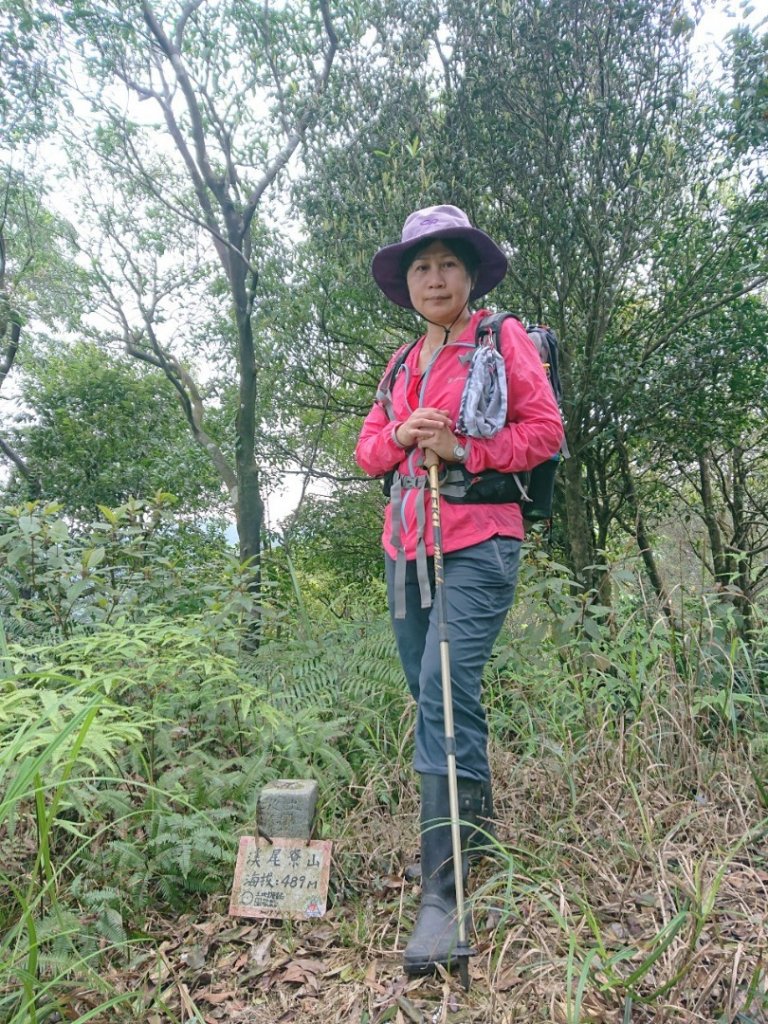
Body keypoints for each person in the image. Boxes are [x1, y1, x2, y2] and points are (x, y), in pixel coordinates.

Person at [355, 205, 564, 976]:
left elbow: (545, 431)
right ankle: (471, 840)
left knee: (445, 685)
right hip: (406, 549)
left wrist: (463, 445)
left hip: (479, 542)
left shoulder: (498, 338)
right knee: (432, 690)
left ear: (469, 274)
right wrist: (403, 436)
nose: (434, 277)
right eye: (421, 267)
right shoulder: (401, 365)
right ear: (406, 283)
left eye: (447, 263)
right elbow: (366, 451)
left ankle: (444, 892)